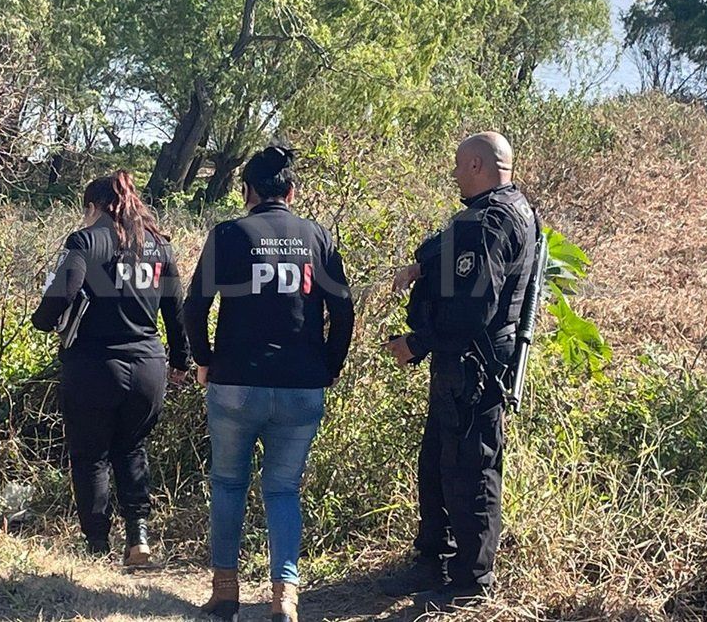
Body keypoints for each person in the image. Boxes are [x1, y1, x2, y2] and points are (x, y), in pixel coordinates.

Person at [184, 146, 354, 622]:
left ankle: (225, 594)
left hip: (236, 382)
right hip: (302, 385)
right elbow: (343, 310)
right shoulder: (317, 236)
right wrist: (330, 365)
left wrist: (204, 360)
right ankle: (285, 598)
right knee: (282, 490)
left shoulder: (229, 234)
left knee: (228, 484)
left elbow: (194, 306)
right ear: (291, 193)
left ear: (247, 192)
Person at [380, 131, 539, 611]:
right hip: (466, 364)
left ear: (476, 165)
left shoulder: (490, 222)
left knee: (470, 469)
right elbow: (446, 245)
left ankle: (471, 580)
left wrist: (416, 343)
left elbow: (471, 311)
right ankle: (433, 560)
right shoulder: (508, 209)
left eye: (457, 165)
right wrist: (420, 266)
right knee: (438, 462)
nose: (453, 174)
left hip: (474, 365)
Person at [31, 171, 190, 566]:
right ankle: (139, 539)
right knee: (132, 448)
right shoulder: (159, 246)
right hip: (148, 366)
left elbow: (64, 290)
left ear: (94, 207)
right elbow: (176, 312)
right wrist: (181, 361)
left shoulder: (85, 241)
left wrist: (43, 320)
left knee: (91, 455)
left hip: (94, 366)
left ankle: (97, 546)